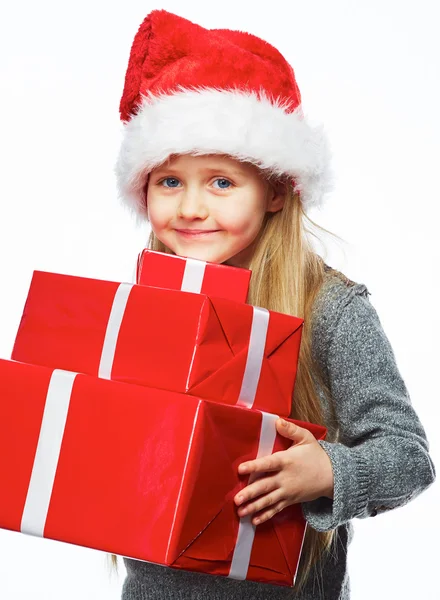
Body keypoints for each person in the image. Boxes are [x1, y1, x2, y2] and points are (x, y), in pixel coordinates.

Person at [111, 9, 436, 600]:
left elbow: (408, 457)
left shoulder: (331, 310)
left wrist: (331, 472)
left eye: (221, 183)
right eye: (169, 182)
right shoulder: (140, 308)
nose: (189, 209)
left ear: (279, 192)